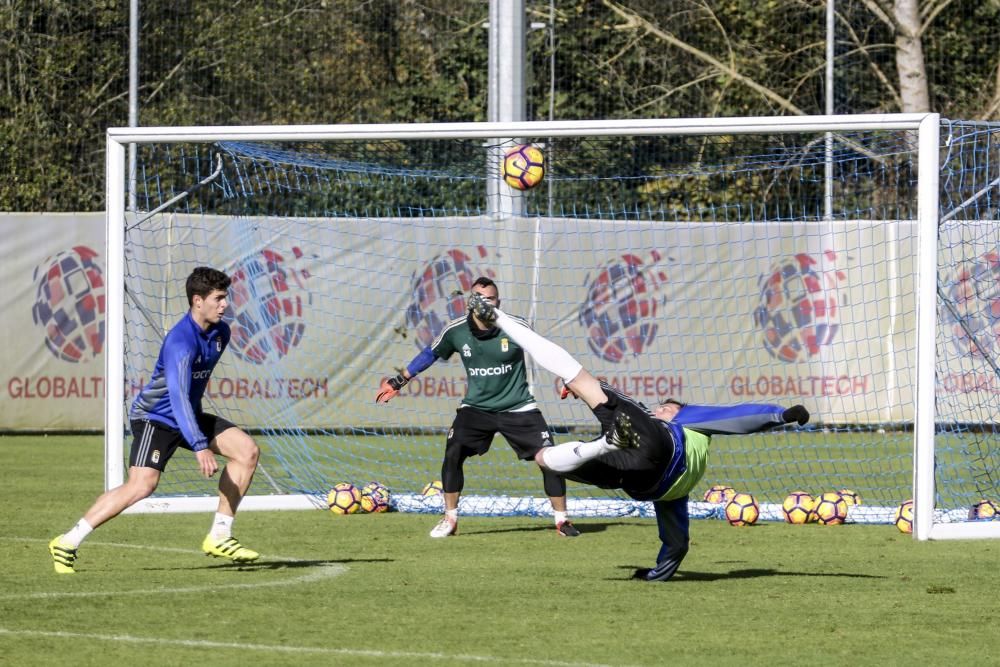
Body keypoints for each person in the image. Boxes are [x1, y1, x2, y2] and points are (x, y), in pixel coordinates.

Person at [466, 292, 810, 581]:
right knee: (547, 459)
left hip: (657, 448)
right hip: (643, 481)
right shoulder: (678, 489)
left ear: (677, 411)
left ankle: (499, 318)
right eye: (660, 407)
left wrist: (780, 415)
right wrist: (658, 573)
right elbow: (677, 540)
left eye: (665, 407)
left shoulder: (685, 420)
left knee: (579, 375)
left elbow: (736, 417)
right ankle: (603, 444)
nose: (659, 408)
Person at [48, 267, 262, 574]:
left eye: (225, 298)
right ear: (197, 301)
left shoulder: (221, 333)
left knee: (247, 452)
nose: (225, 305)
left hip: (187, 414)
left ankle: (220, 535)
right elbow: (176, 398)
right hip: (156, 418)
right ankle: (67, 541)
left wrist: (197, 435)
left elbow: (188, 398)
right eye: (218, 298)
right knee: (141, 485)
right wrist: (200, 446)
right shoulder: (180, 341)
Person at [376, 277, 580, 538]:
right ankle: (449, 519)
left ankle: (562, 521)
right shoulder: (456, 330)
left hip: (518, 407)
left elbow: (545, 352)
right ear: (469, 302)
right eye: (478, 298)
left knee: (550, 459)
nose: (484, 303)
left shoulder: (515, 326)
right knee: (453, 453)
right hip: (476, 408)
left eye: (490, 299)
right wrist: (399, 380)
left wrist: (568, 379)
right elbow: (430, 353)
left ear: (498, 303)